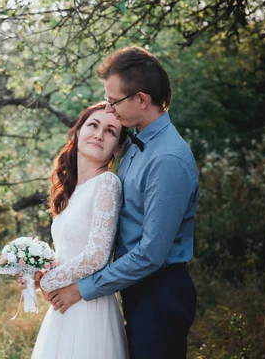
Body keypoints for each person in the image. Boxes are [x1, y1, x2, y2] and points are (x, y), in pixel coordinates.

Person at [41, 46, 200, 358]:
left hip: (160, 295)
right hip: (133, 288)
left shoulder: (167, 159)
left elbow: (151, 254)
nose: (110, 109)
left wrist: (81, 288)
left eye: (114, 102)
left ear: (141, 99)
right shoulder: (136, 144)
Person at [25, 101, 130, 359]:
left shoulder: (107, 183)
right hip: (64, 305)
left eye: (110, 131)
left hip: (89, 309)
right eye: (93, 125)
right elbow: (70, 253)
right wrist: (37, 273)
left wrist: (49, 281)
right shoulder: (72, 193)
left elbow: (97, 256)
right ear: (77, 132)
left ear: (116, 148)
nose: (98, 134)